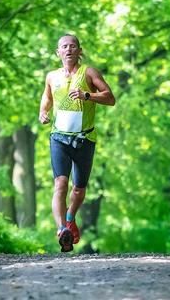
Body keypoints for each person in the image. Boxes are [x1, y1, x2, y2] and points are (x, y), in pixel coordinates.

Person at [39, 34, 116, 252]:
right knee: (60, 184)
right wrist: (42, 112)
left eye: (73, 46)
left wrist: (87, 96)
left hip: (85, 140)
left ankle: (71, 216)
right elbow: (47, 98)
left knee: (79, 190)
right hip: (59, 139)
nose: (69, 50)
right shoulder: (52, 76)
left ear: (79, 51)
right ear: (58, 52)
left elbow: (110, 98)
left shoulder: (89, 72)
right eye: (64, 46)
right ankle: (62, 229)